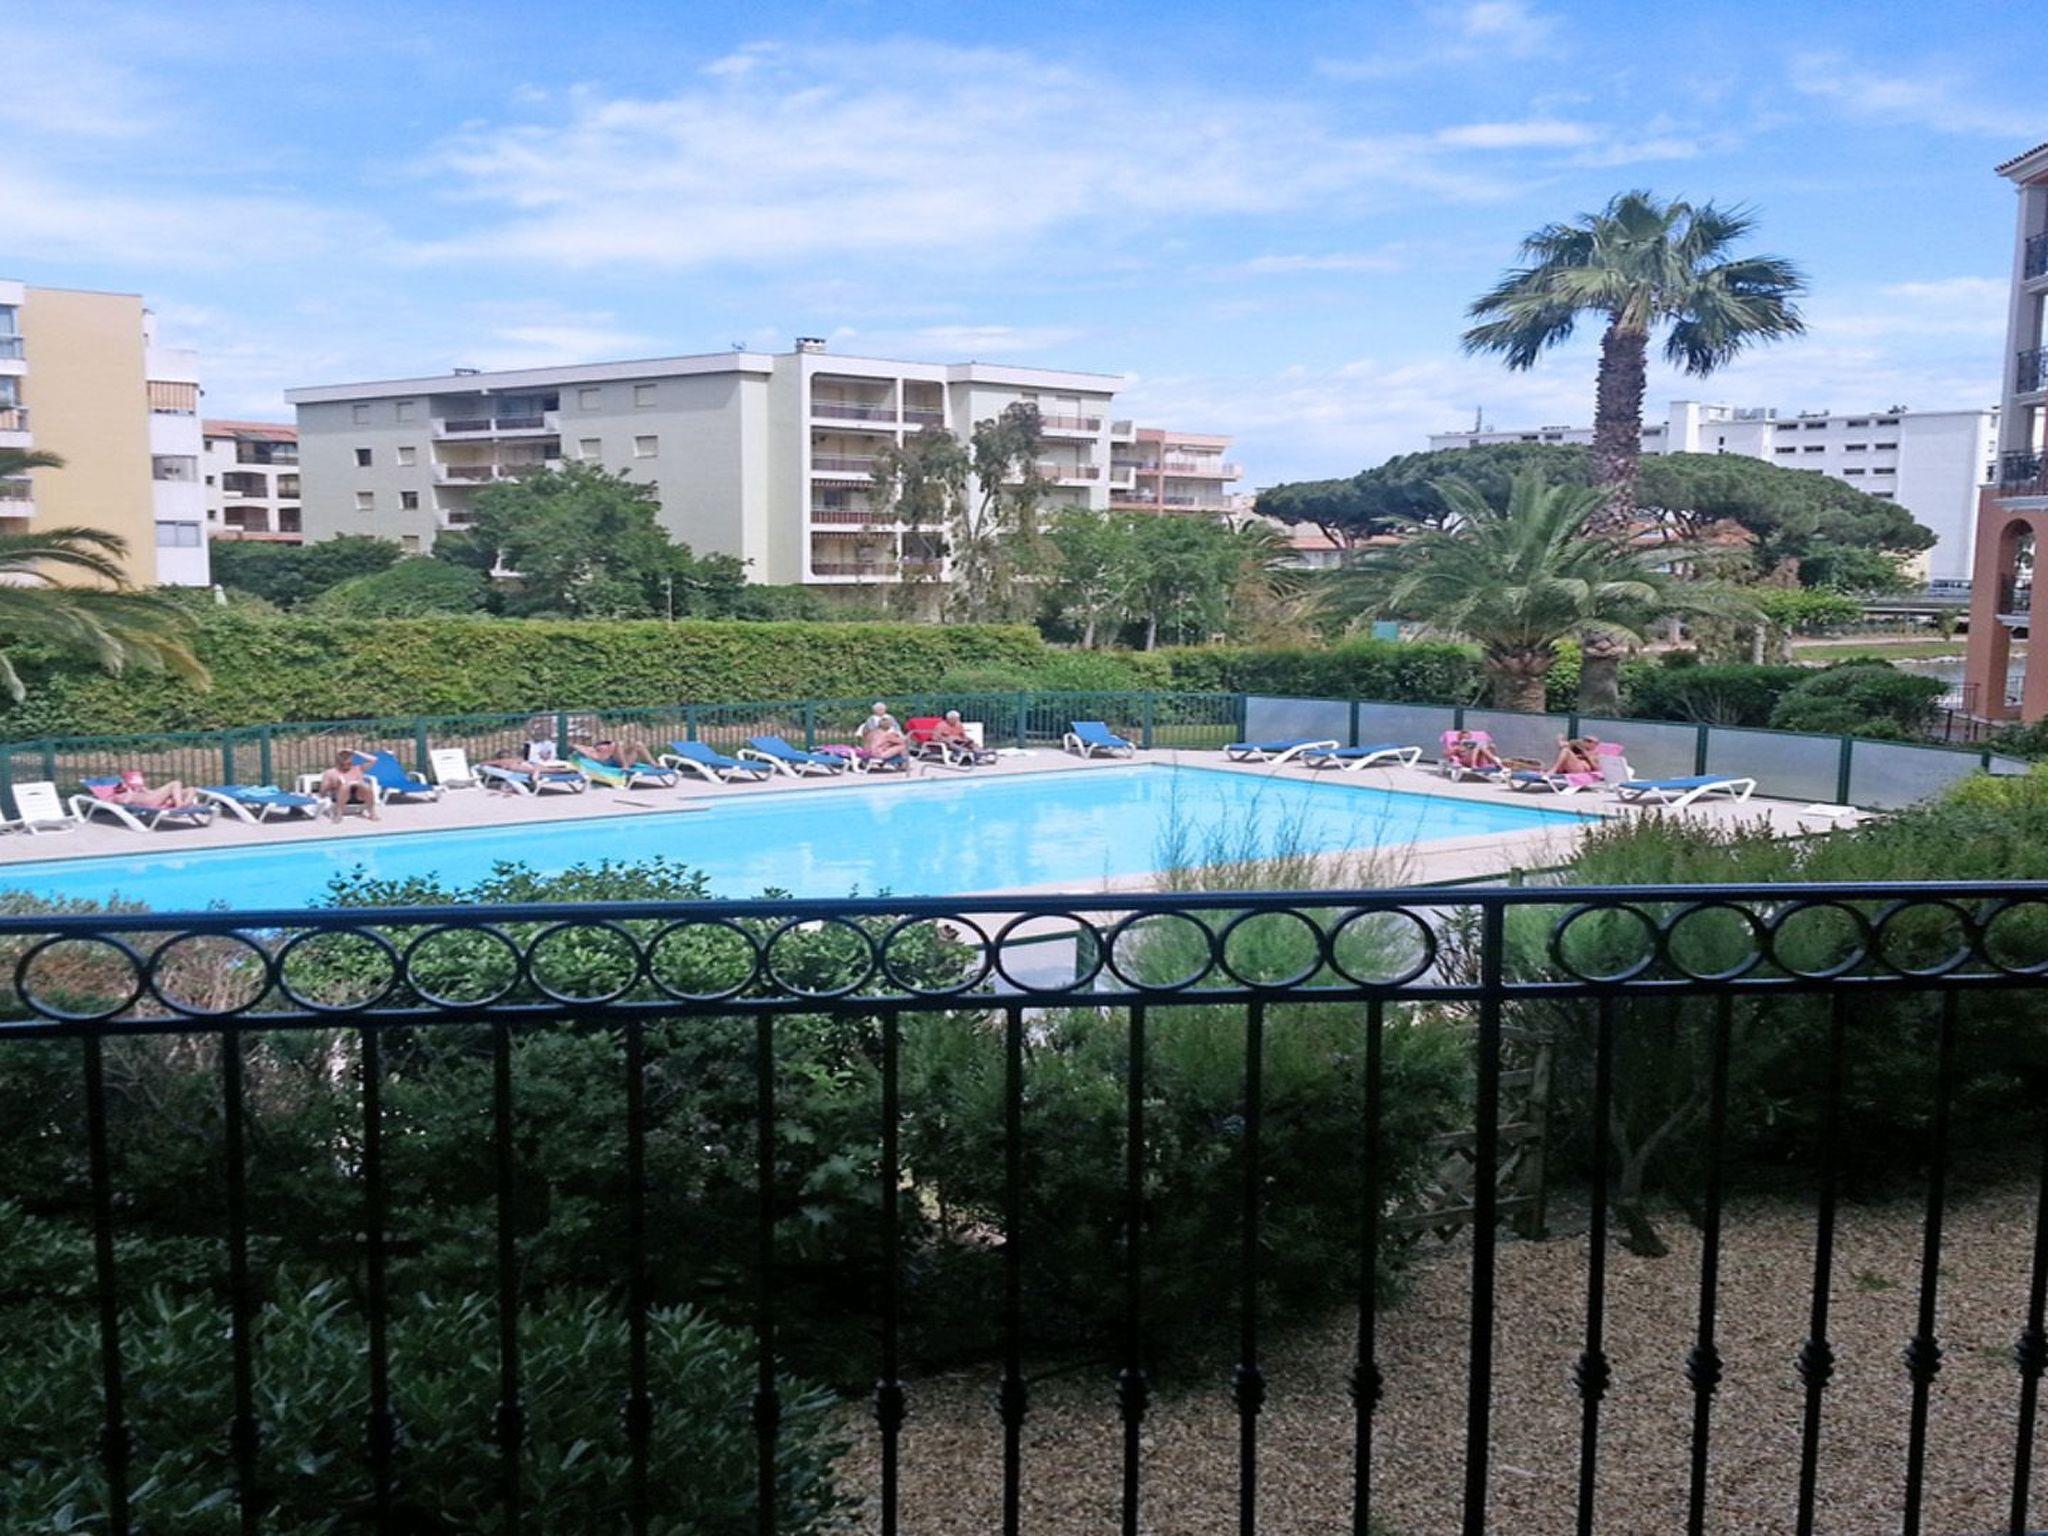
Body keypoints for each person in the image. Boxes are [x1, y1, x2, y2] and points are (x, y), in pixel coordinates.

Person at [316, 750, 379, 823]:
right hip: (339, 796)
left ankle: (372, 813)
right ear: (338, 762)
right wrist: (333, 785)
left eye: (349, 764)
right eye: (343, 764)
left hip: (359, 795)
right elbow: (322, 792)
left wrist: (355, 752)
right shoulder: (331, 773)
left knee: (365, 786)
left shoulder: (358, 768)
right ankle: (339, 814)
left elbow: (374, 759)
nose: (346, 766)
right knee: (345, 787)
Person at [113, 770, 201, 810]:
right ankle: (179, 804)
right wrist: (128, 791)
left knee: (191, 789)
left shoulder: (140, 789)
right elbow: (123, 802)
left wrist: (143, 789)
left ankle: (184, 804)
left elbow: (151, 792)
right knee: (176, 783)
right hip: (151, 801)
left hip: (153, 797)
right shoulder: (123, 795)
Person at [928, 710, 993, 764]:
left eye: (958, 718)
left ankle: (979, 755)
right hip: (948, 744)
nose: (957, 720)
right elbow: (934, 738)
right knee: (953, 744)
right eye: (955, 719)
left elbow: (963, 735)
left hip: (959, 741)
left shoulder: (958, 724)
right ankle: (963, 757)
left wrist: (968, 739)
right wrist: (946, 740)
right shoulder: (941, 726)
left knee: (972, 744)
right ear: (949, 719)